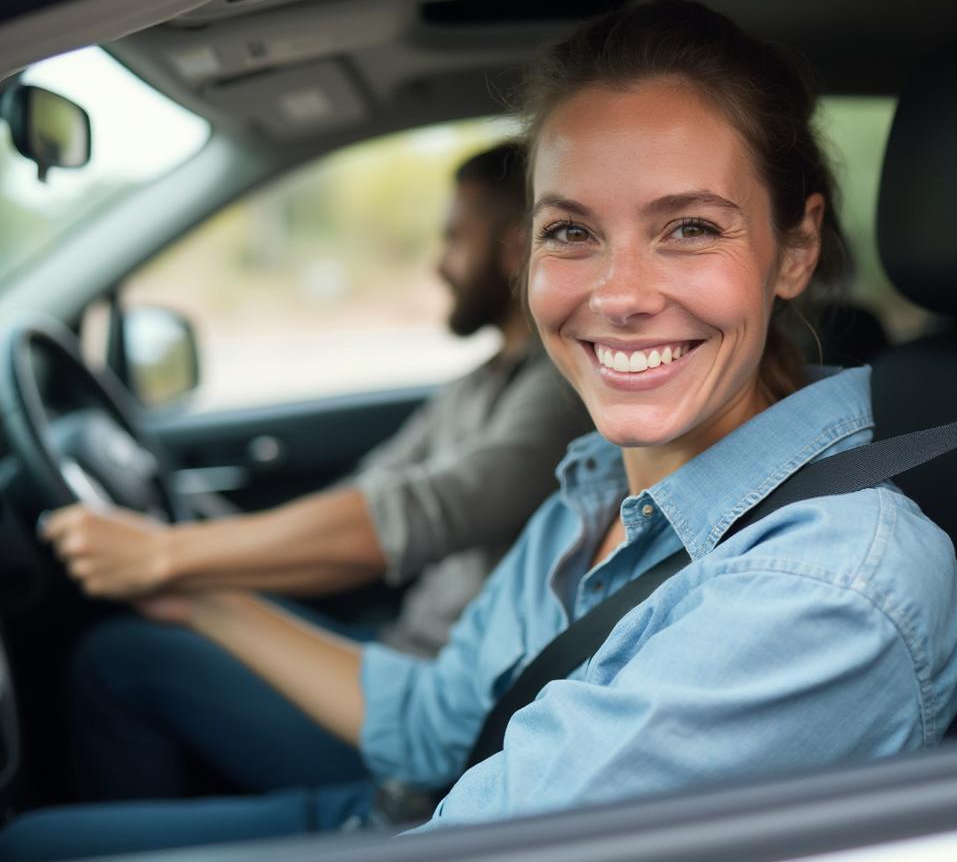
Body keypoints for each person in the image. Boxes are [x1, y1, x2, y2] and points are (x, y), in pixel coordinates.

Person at [0, 0, 957, 861]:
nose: (621, 294)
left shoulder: (821, 590)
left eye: (688, 227)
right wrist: (191, 586)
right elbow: (437, 726)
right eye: (571, 231)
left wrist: (179, 559)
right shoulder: (600, 484)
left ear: (795, 248)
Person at [43, 141, 592, 800]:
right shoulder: (478, 384)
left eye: (454, 239)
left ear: (511, 249)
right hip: (403, 662)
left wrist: (166, 554)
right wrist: (199, 531)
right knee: (143, 637)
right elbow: (362, 492)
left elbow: (424, 513)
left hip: (436, 716)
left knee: (116, 663)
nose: (439, 265)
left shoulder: (560, 397)